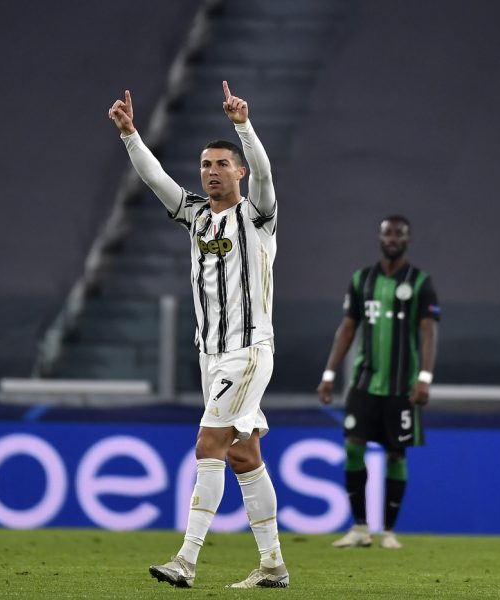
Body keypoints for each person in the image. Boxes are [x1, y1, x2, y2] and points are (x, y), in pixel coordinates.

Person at [108, 81, 288, 589]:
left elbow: (266, 173)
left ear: (239, 172)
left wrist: (243, 126)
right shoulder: (195, 215)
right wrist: (129, 134)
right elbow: (155, 178)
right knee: (243, 455)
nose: (212, 172)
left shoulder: (257, 216)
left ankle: (186, 560)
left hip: (247, 350)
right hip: (211, 354)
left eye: (222, 164)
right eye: (206, 165)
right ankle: (273, 565)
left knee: (209, 443)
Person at [316, 215, 440, 550]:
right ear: (379, 238)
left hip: (402, 386)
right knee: (352, 447)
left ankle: (388, 532)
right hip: (364, 382)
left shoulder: (420, 281)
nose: (393, 239)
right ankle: (359, 527)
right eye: (388, 233)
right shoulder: (362, 280)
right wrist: (329, 374)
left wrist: (425, 377)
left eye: (399, 234)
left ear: (408, 240)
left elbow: (429, 330)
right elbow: (348, 327)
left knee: (396, 455)